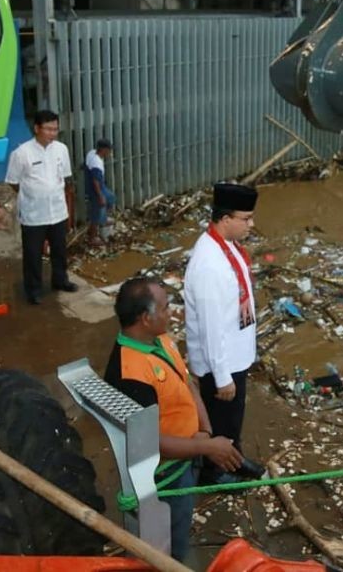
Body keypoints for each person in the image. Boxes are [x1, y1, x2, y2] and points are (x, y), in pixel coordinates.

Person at [104, 277, 243, 561]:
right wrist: (207, 447)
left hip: (187, 457)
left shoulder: (161, 340)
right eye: (166, 307)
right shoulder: (129, 374)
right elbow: (149, 442)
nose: (172, 312)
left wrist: (204, 430)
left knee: (181, 524)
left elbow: (187, 383)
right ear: (145, 317)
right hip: (164, 478)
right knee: (168, 544)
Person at [184, 183, 259, 478]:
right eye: (246, 218)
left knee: (233, 418)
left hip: (236, 354)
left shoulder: (226, 247)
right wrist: (223, 376)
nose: (251, 224)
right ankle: (215, 471)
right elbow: (210, 327)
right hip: (222, 363)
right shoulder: (209, 264)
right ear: (225, 219)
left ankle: (234, 459)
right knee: (221, 420)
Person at [5, 109, 78, 305]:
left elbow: (64, 178)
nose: (53, 133)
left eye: (55, 129)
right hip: (33, 214)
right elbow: (13, 182)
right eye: (48, 129)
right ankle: (34, 290)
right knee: (32, 254)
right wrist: (34, 194)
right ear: (36, 128)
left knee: (60, 251)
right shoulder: (21, 153)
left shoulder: (61, 149)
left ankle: (60, 281)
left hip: (57, 211)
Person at [84, 138, 115, 246]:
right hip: (96, 190)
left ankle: (104, 219)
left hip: (99, 187)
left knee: (111, 197)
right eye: (108, 150)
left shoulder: (92, 153)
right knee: (96, 214)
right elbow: (95, 181)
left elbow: (86, 164)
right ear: (103, 149)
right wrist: (100, 195)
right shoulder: (96, 163)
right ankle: (92, 238)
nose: (109, 152)